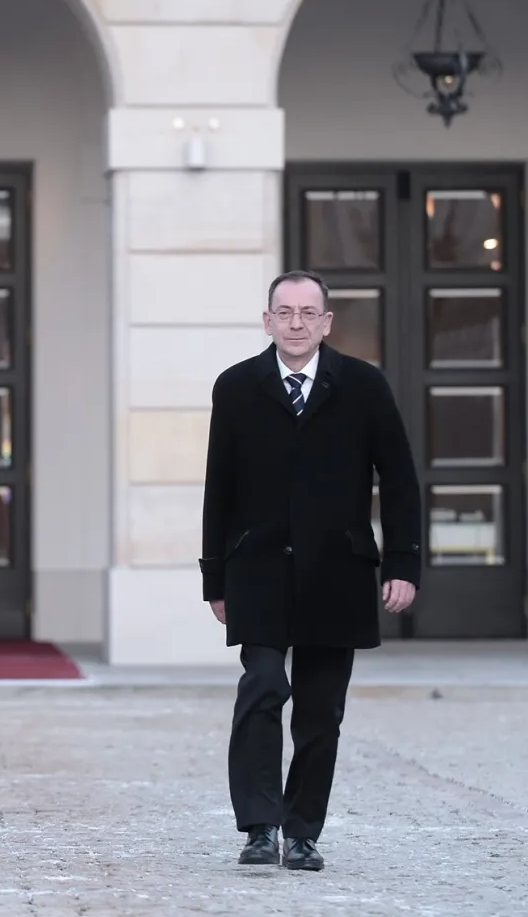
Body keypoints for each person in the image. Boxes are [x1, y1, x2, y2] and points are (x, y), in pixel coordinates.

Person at [198, 270, 422, 872]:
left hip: (337, 571)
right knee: (262, 687)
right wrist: (214, 578)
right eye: (285, 312)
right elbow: (219, 486)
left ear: (326, 323)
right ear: (267, 320)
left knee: (321, 712)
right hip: (257, 569)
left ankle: (301, 833)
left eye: (307, 313)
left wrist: (403, 563)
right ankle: (259, 827)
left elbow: (399, 479)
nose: (295, 323)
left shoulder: (364, 386)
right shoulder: (237, 387)